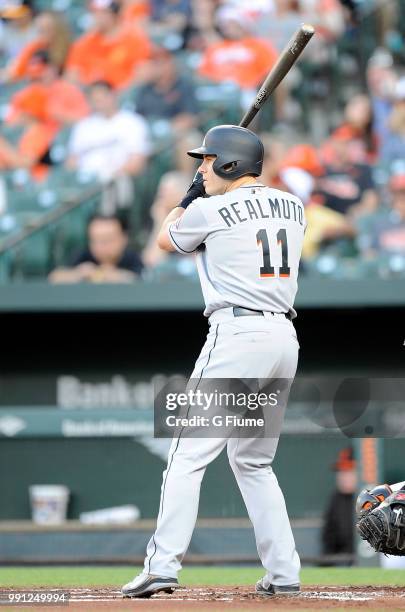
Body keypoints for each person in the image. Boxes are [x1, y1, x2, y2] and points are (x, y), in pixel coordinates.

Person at [121, 124, 306, 598]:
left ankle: (162, 566)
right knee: (254, 461)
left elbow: (165, 241)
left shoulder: (209, 208)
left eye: (208, 160)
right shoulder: (295, 204)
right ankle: (284, 574)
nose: (201, 168)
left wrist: (186, 198)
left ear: (230, 163)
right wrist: (201, 194)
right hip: (283, 337)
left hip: (238, 335)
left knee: (185, 455)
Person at [66, 80, 151, 212]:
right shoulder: (83, 126)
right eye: (95, 99)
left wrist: (111, 173)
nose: (99, 102)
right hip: (86, 182)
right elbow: (71, 163)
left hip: (115, 179)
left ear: (113, 96)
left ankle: (106, 218)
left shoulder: (132, 122)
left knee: (110, 182)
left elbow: (137, 163)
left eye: (102, 97)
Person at [65, 0, 151, 89]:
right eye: (95, 12)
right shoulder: (84, 43)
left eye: (102, 13)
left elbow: (141, 76)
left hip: (121, 95)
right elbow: (72, 74)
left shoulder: (135, 41)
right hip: (89, 95)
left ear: (114, 14)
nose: (97, 17)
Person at [49, 214, 143, 283]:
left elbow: (141, 279)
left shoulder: (132, 257)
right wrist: (80, 273)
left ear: (123, 239)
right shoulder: (84, 256)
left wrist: (108, 274)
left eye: (107, 240)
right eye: (95, 240)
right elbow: (55, 277)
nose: (101, 246)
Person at [135, 45, 199, 132]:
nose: (155, 68)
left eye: (159, 63)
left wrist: (168, 130)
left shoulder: (183, 85)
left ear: (170, 64)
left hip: (176, 134)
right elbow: (136, 118)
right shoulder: (144, 89)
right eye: (153, 63)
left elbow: (190, 116)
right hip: (148, 134)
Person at [1, 10, 72, 82]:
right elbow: (13, 73)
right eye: (40, 30)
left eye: (46, 30)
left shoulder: (72, 50)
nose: (41, 35)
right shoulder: (34, 48)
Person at [321, 447, 357, 564]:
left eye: (348, 472)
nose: (343, 477)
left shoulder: (377, 497)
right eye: (341, 472)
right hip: (344, 560)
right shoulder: (336, 498)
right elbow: (329, 538)